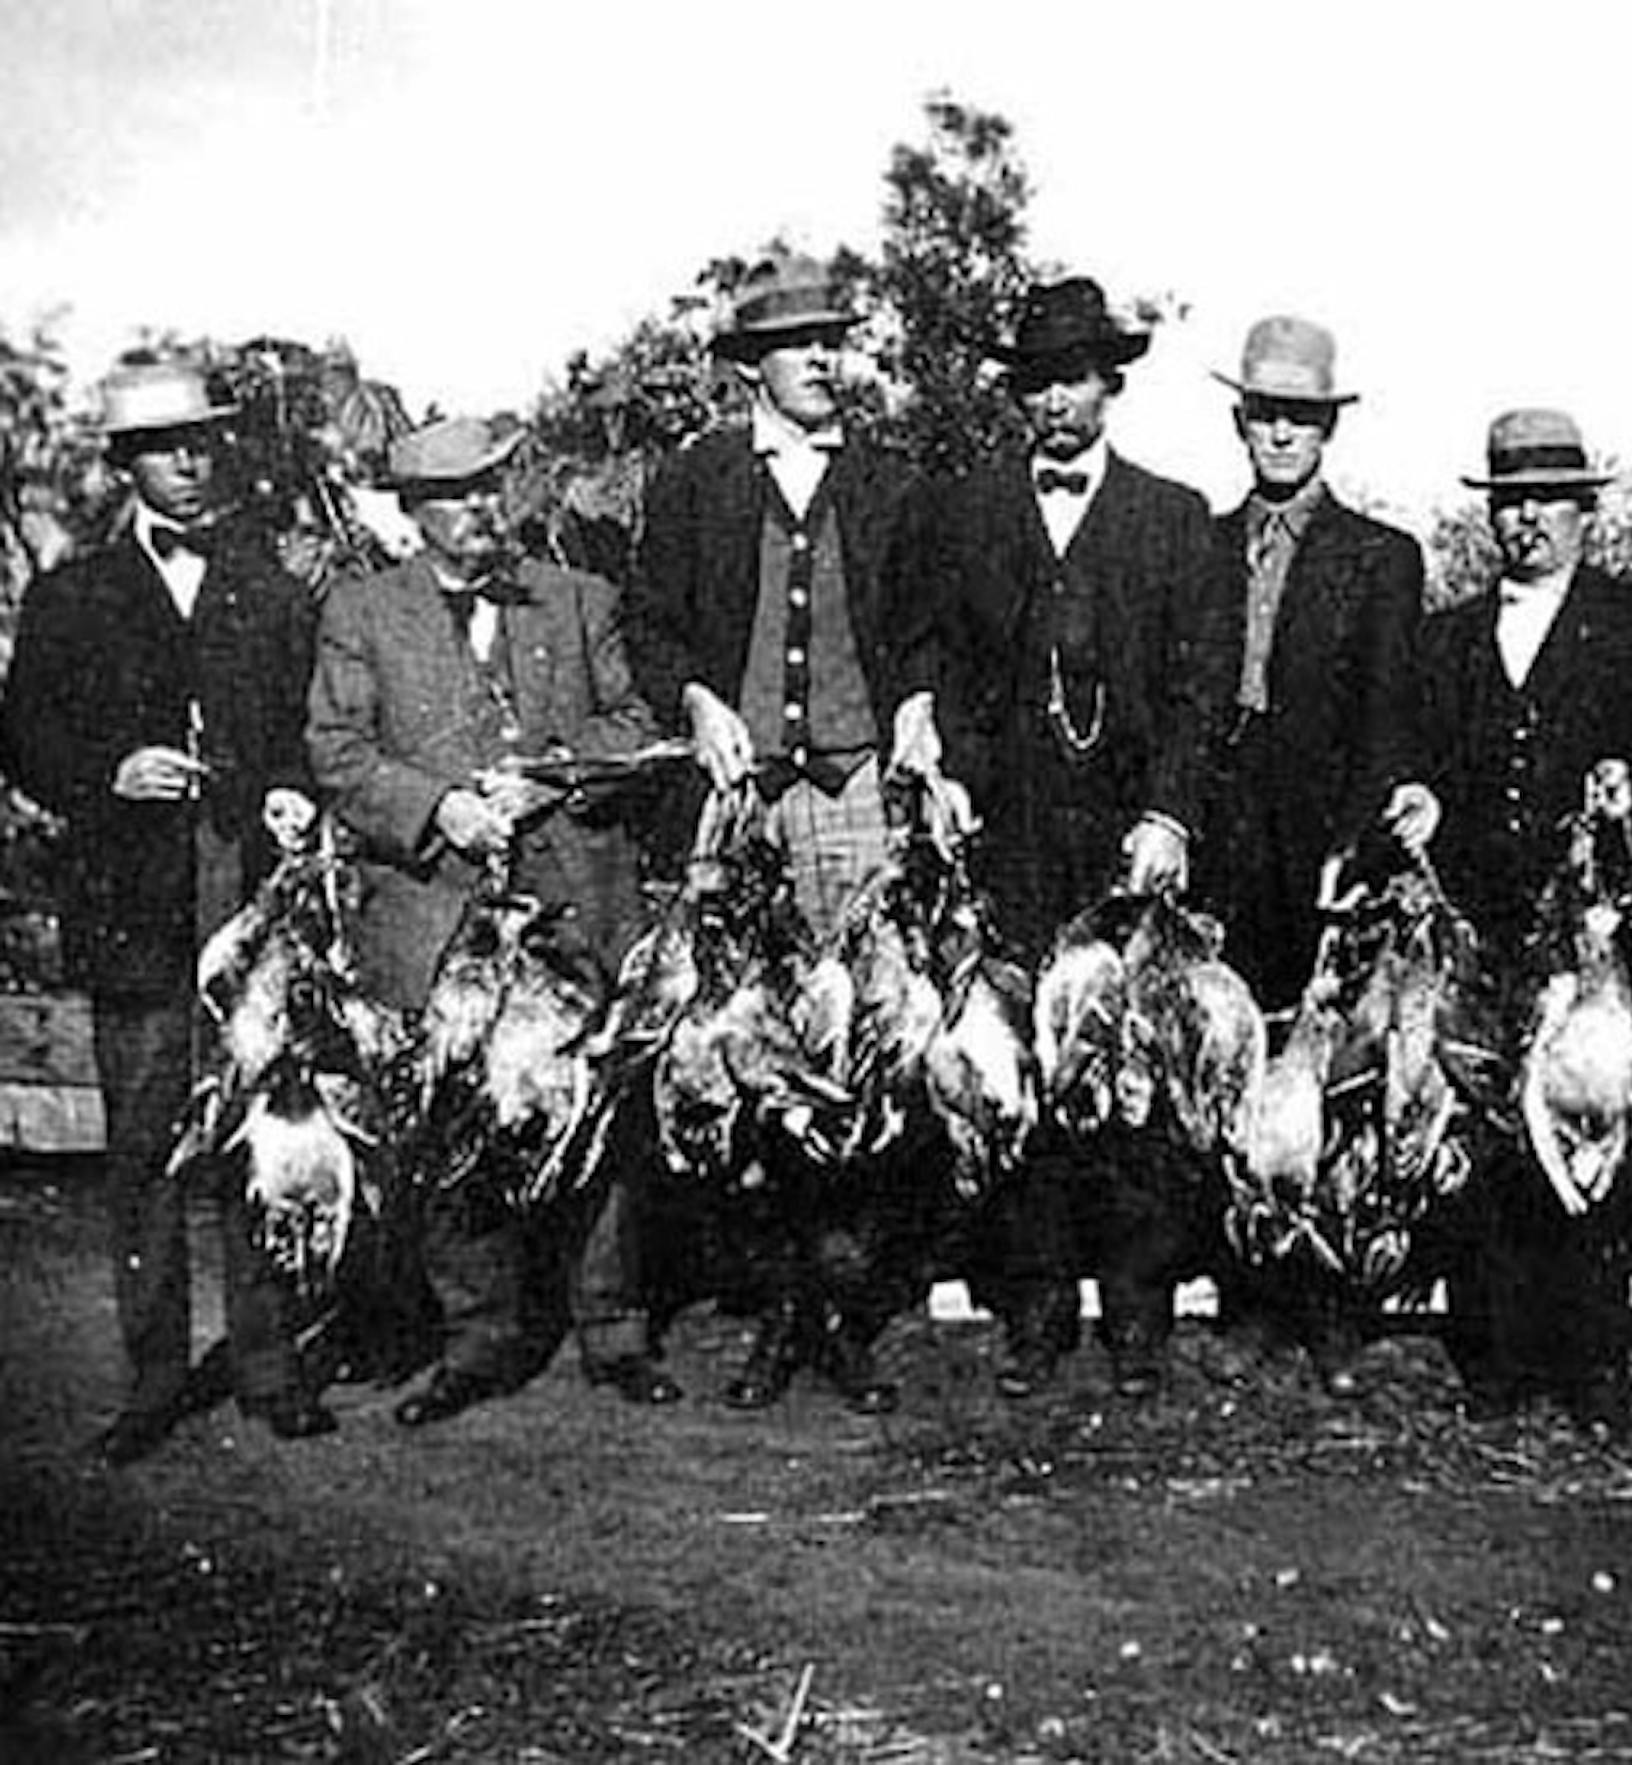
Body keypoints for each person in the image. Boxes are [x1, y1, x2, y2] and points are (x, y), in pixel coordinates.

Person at [893, 275, 1240, 1400]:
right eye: (1035, 380)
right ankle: (1035, 1308)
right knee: (1022, 1071)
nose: (1054, 401)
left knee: (1134, 1073)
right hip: (1008, 834)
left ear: (1111, 385)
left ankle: (1139, 1314)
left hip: (1128, 844)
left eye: (1074, 379)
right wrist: (933, 760)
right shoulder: (962, 510)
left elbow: (1199, 694)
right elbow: (929, 654)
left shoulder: (1173, 518)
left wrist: (1170, 814)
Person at [307, 414, 679, 1427]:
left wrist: (549, 774)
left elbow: (636, 729)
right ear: (414, 512)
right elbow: (337, 754)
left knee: (597, 1110)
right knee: (452, 1116)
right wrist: (441, 809)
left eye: (492, 489)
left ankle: (613, 1328)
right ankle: (478, 1338)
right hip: (434, 909)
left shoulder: (575, 595)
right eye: (458, 496)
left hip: (575, 891)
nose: (482, 510)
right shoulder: (362, 611)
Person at [0, 358, 332, 1465]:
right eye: (165, 447)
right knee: (145, 1143)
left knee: (262, 1130)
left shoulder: (272, 586)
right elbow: (25, 740)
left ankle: (269, 1363)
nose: (190, 463)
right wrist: (110, 771)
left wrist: (290, 786)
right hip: (135, 905)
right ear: (127, 465)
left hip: (248, 901)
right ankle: (153, 1376)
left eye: (203, 443)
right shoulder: (71, 594)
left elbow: (307, 728)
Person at [627, 252, 924, 1415]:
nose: (825, 361)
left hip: (853, 798)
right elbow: (651, 630)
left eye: (834, 342)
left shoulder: (892, 484)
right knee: (745, 1055)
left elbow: (934, 631)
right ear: (752, 364)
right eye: (801, 345)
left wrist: (918, 703)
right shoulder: (699, 480)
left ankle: (841, 1317)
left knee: (854, 1058)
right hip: (741, 803)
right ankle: (774, 1310)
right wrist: (696, 699)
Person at [1399, 407, 1632, 1433]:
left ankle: (1594, 1359)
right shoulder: (1446, 640)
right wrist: (1420, 804)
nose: (1528, 519)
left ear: (1586, 509)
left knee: (1594, 1123)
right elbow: (1423, 765)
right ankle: (1498, 1358)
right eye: (1511, 502)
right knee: (1494, 1128)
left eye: (1548, 500)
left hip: (1594, 929)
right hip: (1487, 923)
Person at [1196, 315, 1427, 1391]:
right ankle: (1247, 1293)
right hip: (1224, 835)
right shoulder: (1198, 541)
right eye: (1265, 413)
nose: (1280, 433)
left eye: (1300, 416)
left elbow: (1386, 719)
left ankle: (1332, 1303)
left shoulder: (1379, 558)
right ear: (1241, 420)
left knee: (1331, 1071)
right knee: (1235, 1062)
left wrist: (1358, 843)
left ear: (1327, 428)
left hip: (1327, 841)